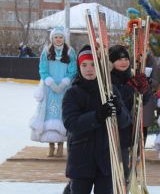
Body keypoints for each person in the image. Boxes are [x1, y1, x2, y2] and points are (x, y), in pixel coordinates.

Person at [62, 45, 131, 194]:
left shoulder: (110, 90)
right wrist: (97, 116)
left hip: (106, 160)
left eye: (93, 64)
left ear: (100, 67)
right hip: (81, 158)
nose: (89, 69)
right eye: (84, 65)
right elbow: (71, 124)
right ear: (79, 67)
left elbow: (125, 122)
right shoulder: (72, 93)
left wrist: (118, 110)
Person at [29, 26, 77, 157]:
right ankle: (51, 146)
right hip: (49, 89)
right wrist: (50, 82)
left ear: (64, 38)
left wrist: (64, 82)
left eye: (61, 37)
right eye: (56, 37)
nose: (58, 39)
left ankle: (61, 145)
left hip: (64, 88)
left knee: (62, 114)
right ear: (52, 38)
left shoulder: (70, 52)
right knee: (49, 114)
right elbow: (42, 69)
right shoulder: (46, 52)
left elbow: (73, 69)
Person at [108, 44, 150, 183]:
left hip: (128, 128)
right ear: (112, 62)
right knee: (112, 169)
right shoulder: (108, 78)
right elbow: (116, 98)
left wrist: (145, 89)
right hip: (112, 128)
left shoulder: (132, 76)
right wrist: (130, 87)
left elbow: (142, 102)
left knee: (125, 169)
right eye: (119, 59)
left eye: (126, 58)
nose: (123, 62)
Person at [143, 53, 160, 145]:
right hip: (132, 97)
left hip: (146, 99)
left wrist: (148, 79)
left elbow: (156, 83)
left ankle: (140, 151)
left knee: (143, 125)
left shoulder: (151, 61)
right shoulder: (129, 58)